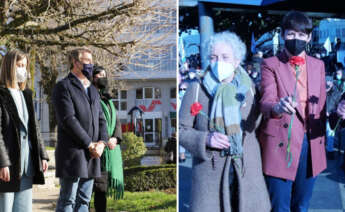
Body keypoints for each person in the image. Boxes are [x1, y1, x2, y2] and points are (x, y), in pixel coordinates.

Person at [179, 31, 271, 212]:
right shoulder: (196, 88)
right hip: (210, 172)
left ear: (237, 61)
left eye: (225, 57)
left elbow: (260, 125)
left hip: (247, 170)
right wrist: (205, 139)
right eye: (213, 57)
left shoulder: (250, 88)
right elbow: (180, 130)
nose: (218, 62)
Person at [259, 11, 327, 212]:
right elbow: (266, 101)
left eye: (300, 35)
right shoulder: (270, 64)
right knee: (279, 206)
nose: (295, 39)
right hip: (281, 142)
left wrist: (337, 114)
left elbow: (321, 106)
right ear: (282, 35)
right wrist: (277, 107)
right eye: (290, 34)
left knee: (302, 204)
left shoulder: (318, 65)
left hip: (311, 143)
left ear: (308, 37)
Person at [52, 48, 109, 212]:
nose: (91, 65)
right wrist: (89, 144)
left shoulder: (92, 89)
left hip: (92, 155)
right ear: (75, 63)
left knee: (84, 201)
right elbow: (68, 120)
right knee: (67, 200)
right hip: (73, 154)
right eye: (87, 61)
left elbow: (101, 119)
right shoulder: (63, 87)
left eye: (91, 61)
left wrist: (102, 143)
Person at [0, 49, 49, 212]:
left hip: (27, 164)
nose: (23, 69)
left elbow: (34, 127)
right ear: (9, 67)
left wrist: (42, 155)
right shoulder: (1, 94)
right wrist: (3, 162)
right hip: (8, 165)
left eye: (24, 66)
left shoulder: (26, 95)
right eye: (19, 65)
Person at [91, 65, 124, 212]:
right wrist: (104, 140)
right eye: (98, 75)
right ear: (92, 78)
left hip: (109, 149)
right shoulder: (90, 97)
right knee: (92, 189)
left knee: (101, 190)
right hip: (96, 147)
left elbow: (116, 121)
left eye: (104, 75)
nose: (102, 78)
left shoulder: (108, 100)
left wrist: (115, 138)